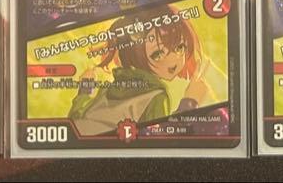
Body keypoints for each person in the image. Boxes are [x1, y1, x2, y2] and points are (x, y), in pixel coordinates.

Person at [68, 10, 210, 135]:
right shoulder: (155, 95)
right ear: (135, 55)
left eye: (179, 47)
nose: (174, 60)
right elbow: (159, 141)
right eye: (157, 54)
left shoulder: (108, 89)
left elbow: (76, 123)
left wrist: (84, 90)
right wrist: (190, 102)